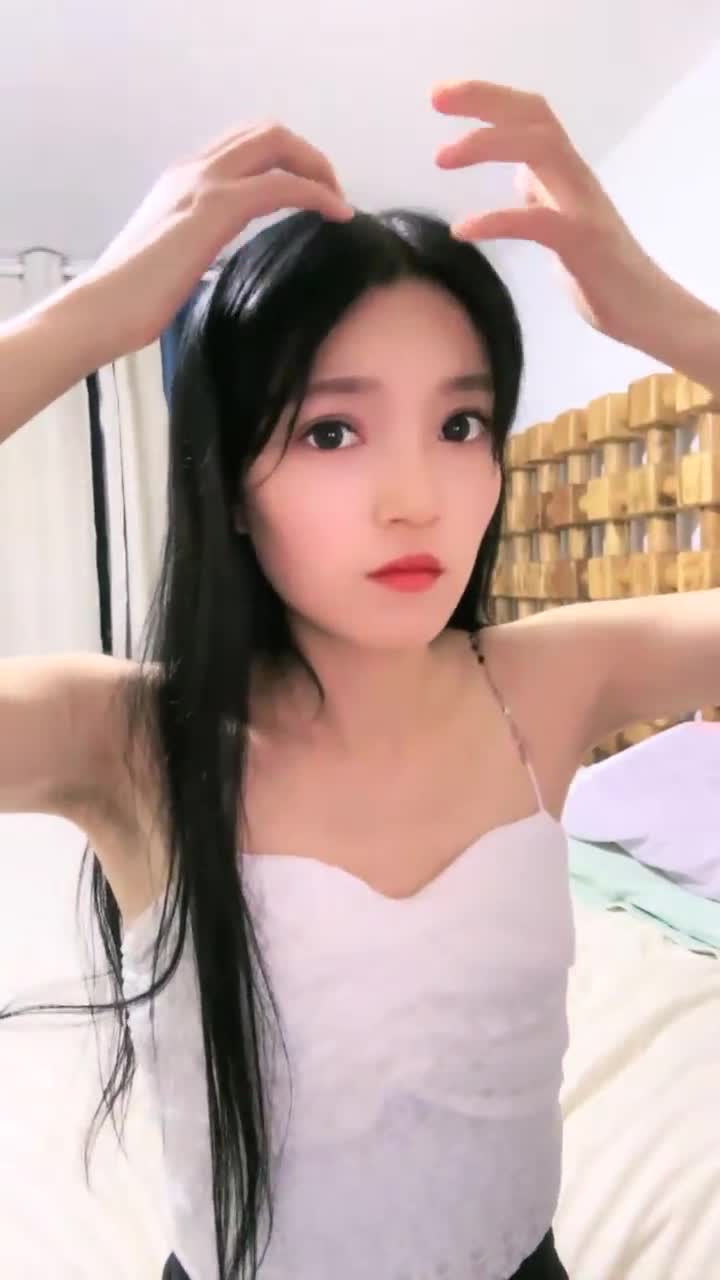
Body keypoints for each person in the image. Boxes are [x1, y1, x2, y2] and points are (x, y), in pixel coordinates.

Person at [1, 79, 719, 1280]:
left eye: (461, 424)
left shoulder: (551, 681)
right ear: (229, 482)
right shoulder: (126, 735)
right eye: (332, 430)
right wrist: (88, 319)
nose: (416, 496)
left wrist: (666, 316)